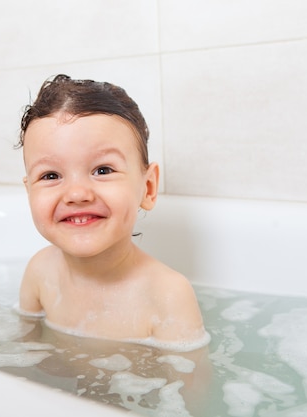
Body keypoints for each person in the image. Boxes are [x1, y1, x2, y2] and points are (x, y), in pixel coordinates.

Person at [16, 74, 208, 350]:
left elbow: (190, 390)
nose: (77, 194)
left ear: (148, 187)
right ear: (29, 191)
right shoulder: (39, 272)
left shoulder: (167, 295)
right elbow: (25, 356)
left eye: (102, 170)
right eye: (50, 175)